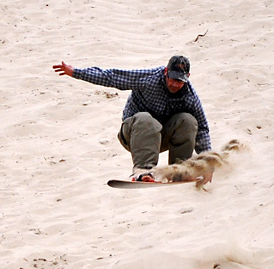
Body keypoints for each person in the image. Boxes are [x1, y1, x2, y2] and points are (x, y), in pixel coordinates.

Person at [53, 55, 212, 181]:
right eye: (173, 79)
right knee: (146, 119)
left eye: (180, 81)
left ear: (188, 77)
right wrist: (75, 72)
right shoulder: (149, 78)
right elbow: (111, 77)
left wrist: (207, 165)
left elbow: (202, 130)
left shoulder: (190, 96)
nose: (175, 85)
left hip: (161, 138)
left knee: (189, 120)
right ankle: (143, 171)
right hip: (134, 134)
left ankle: (180, 171)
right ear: (165, 72)